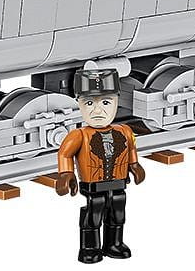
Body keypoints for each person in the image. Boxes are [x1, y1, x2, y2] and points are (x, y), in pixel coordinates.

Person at [55, 69, 146, 264]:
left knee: (118, 214)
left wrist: (135, 165)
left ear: (116, 102)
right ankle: (90, 248)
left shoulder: (125, 131)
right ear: (79, 104)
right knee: (92, 216)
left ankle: (114, 244)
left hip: (119, 184)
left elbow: (131, 148)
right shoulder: (78, 135)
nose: (97, 111)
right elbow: (64, 153)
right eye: (89, 103)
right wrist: (66, 174)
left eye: (106, 103)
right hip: (94, 186)